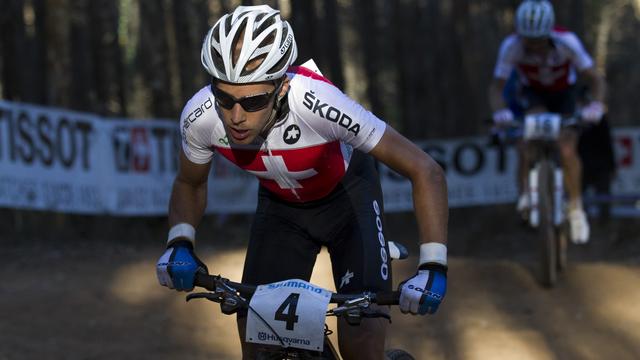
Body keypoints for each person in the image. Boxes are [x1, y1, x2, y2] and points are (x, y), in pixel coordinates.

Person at [155, 5, 448, 359]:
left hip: (348, 201)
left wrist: (433, 265)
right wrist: (180, 241)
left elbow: (425, 170)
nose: (235, 116)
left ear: (282, 87)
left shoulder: (317, 102)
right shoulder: (199, 117)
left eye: (254, 100)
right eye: (224, 97)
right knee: (258, 344)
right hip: (283, 213)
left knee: (361, 345)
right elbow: (189, 183)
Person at [488, 0, 607, 244]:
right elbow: (496, 87)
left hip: (566, 94)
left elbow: (596, 79)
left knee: (566, 147)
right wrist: (500, 113)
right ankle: (525, 192)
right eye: (528, 41)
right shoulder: (511, 46)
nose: (534, 47)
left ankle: (575, 208)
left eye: (539, 41)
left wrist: (596, 105)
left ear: (549, 33)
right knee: (524, 138)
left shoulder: (567, 42)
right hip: (534, 94)